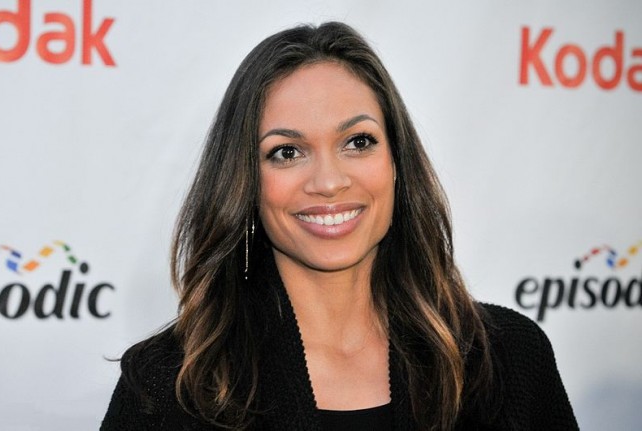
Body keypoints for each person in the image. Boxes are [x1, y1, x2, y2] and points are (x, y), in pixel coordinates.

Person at [101, 22, 578, 430]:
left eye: (357, 141)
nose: (328, 182)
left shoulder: (509, 358)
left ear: (397, 163)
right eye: (287, 152)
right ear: (244, 181)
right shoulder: (166, 388)